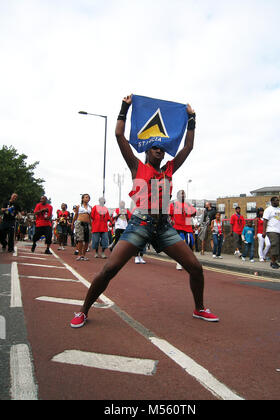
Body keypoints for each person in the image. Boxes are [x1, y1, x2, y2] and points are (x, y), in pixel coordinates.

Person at [70, 94, 219, 328]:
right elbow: (119, 135)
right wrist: (124, 107)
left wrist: (192, 119)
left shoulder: (170, 169)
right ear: (147, 151)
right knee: (109, 268)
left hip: (164, 228)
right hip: (139, 225)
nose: (159, 149)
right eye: (154, 147)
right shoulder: (136, 166)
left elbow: (188, 146)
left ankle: (199, 308)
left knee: (195, 267)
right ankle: (83, 311)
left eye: (162, 148)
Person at [169, 190, 196, 270]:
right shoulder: (173, 204)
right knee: (181, 245)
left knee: (190, 243)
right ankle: (179, 262)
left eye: (184, 194)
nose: (183, 196)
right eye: (181, 194)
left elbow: (194, 213)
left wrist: (190, 213)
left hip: (187, 227)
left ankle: (188, 261)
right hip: (177, 227)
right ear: (177, 196)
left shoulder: (188, 204)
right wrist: (170, 221)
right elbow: (168, 215)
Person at [262, 197, 280, 269]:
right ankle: (272, 262)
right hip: (271, 230)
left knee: (278, 247)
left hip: (278, 231)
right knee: (274, 245)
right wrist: (264, 231)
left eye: (278, 200)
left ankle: (275, 261)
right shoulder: (268, 210)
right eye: (276, 201)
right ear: (272, 202)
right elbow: (265, 221)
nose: (278, 202)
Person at [72, 194, 92, 261]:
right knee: (80, 239)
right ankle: (79, 255)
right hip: (80, 223)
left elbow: (90, 217)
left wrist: (91, 226)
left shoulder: (90, 207)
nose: (87, 198)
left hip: (87, 224)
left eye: (88, 197)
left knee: (87, 240)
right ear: (82, 199)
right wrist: (72, 224)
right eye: (86, 197)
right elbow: (76, 215)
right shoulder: (79, 206)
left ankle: (84, 255)